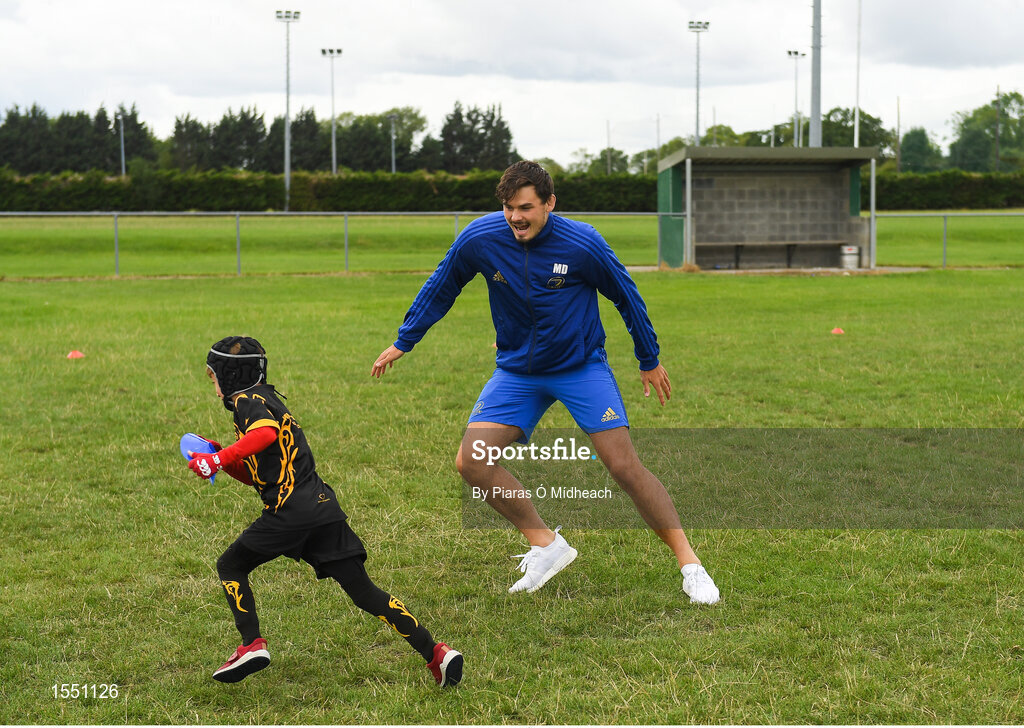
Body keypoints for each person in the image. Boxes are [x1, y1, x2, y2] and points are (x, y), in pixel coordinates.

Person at [371, 160, 720, 604]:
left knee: (624, 467)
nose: (515, 217)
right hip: (516, 372)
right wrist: (406, 340)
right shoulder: (480, 238)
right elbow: (442, 285)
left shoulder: (583, 243)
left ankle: (691, 566)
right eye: (508, 207)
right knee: (472, 462)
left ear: (549, 204)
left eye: (525, 207)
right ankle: (547, 545)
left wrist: (648, 358)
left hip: (580, 368)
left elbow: (627, 296)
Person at [187, 335, 463, 686]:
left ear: (227, 374)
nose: (212, 384)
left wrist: (218, 458)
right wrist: (224, 460)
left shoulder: (247, 400)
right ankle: (437, 654)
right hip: (321, 508)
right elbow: (260, 476)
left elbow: (266, 435)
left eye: (212, 376)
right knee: (363, 591)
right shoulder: (266, 400)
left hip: (290, 511)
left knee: (230, 565)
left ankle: (251, 645)